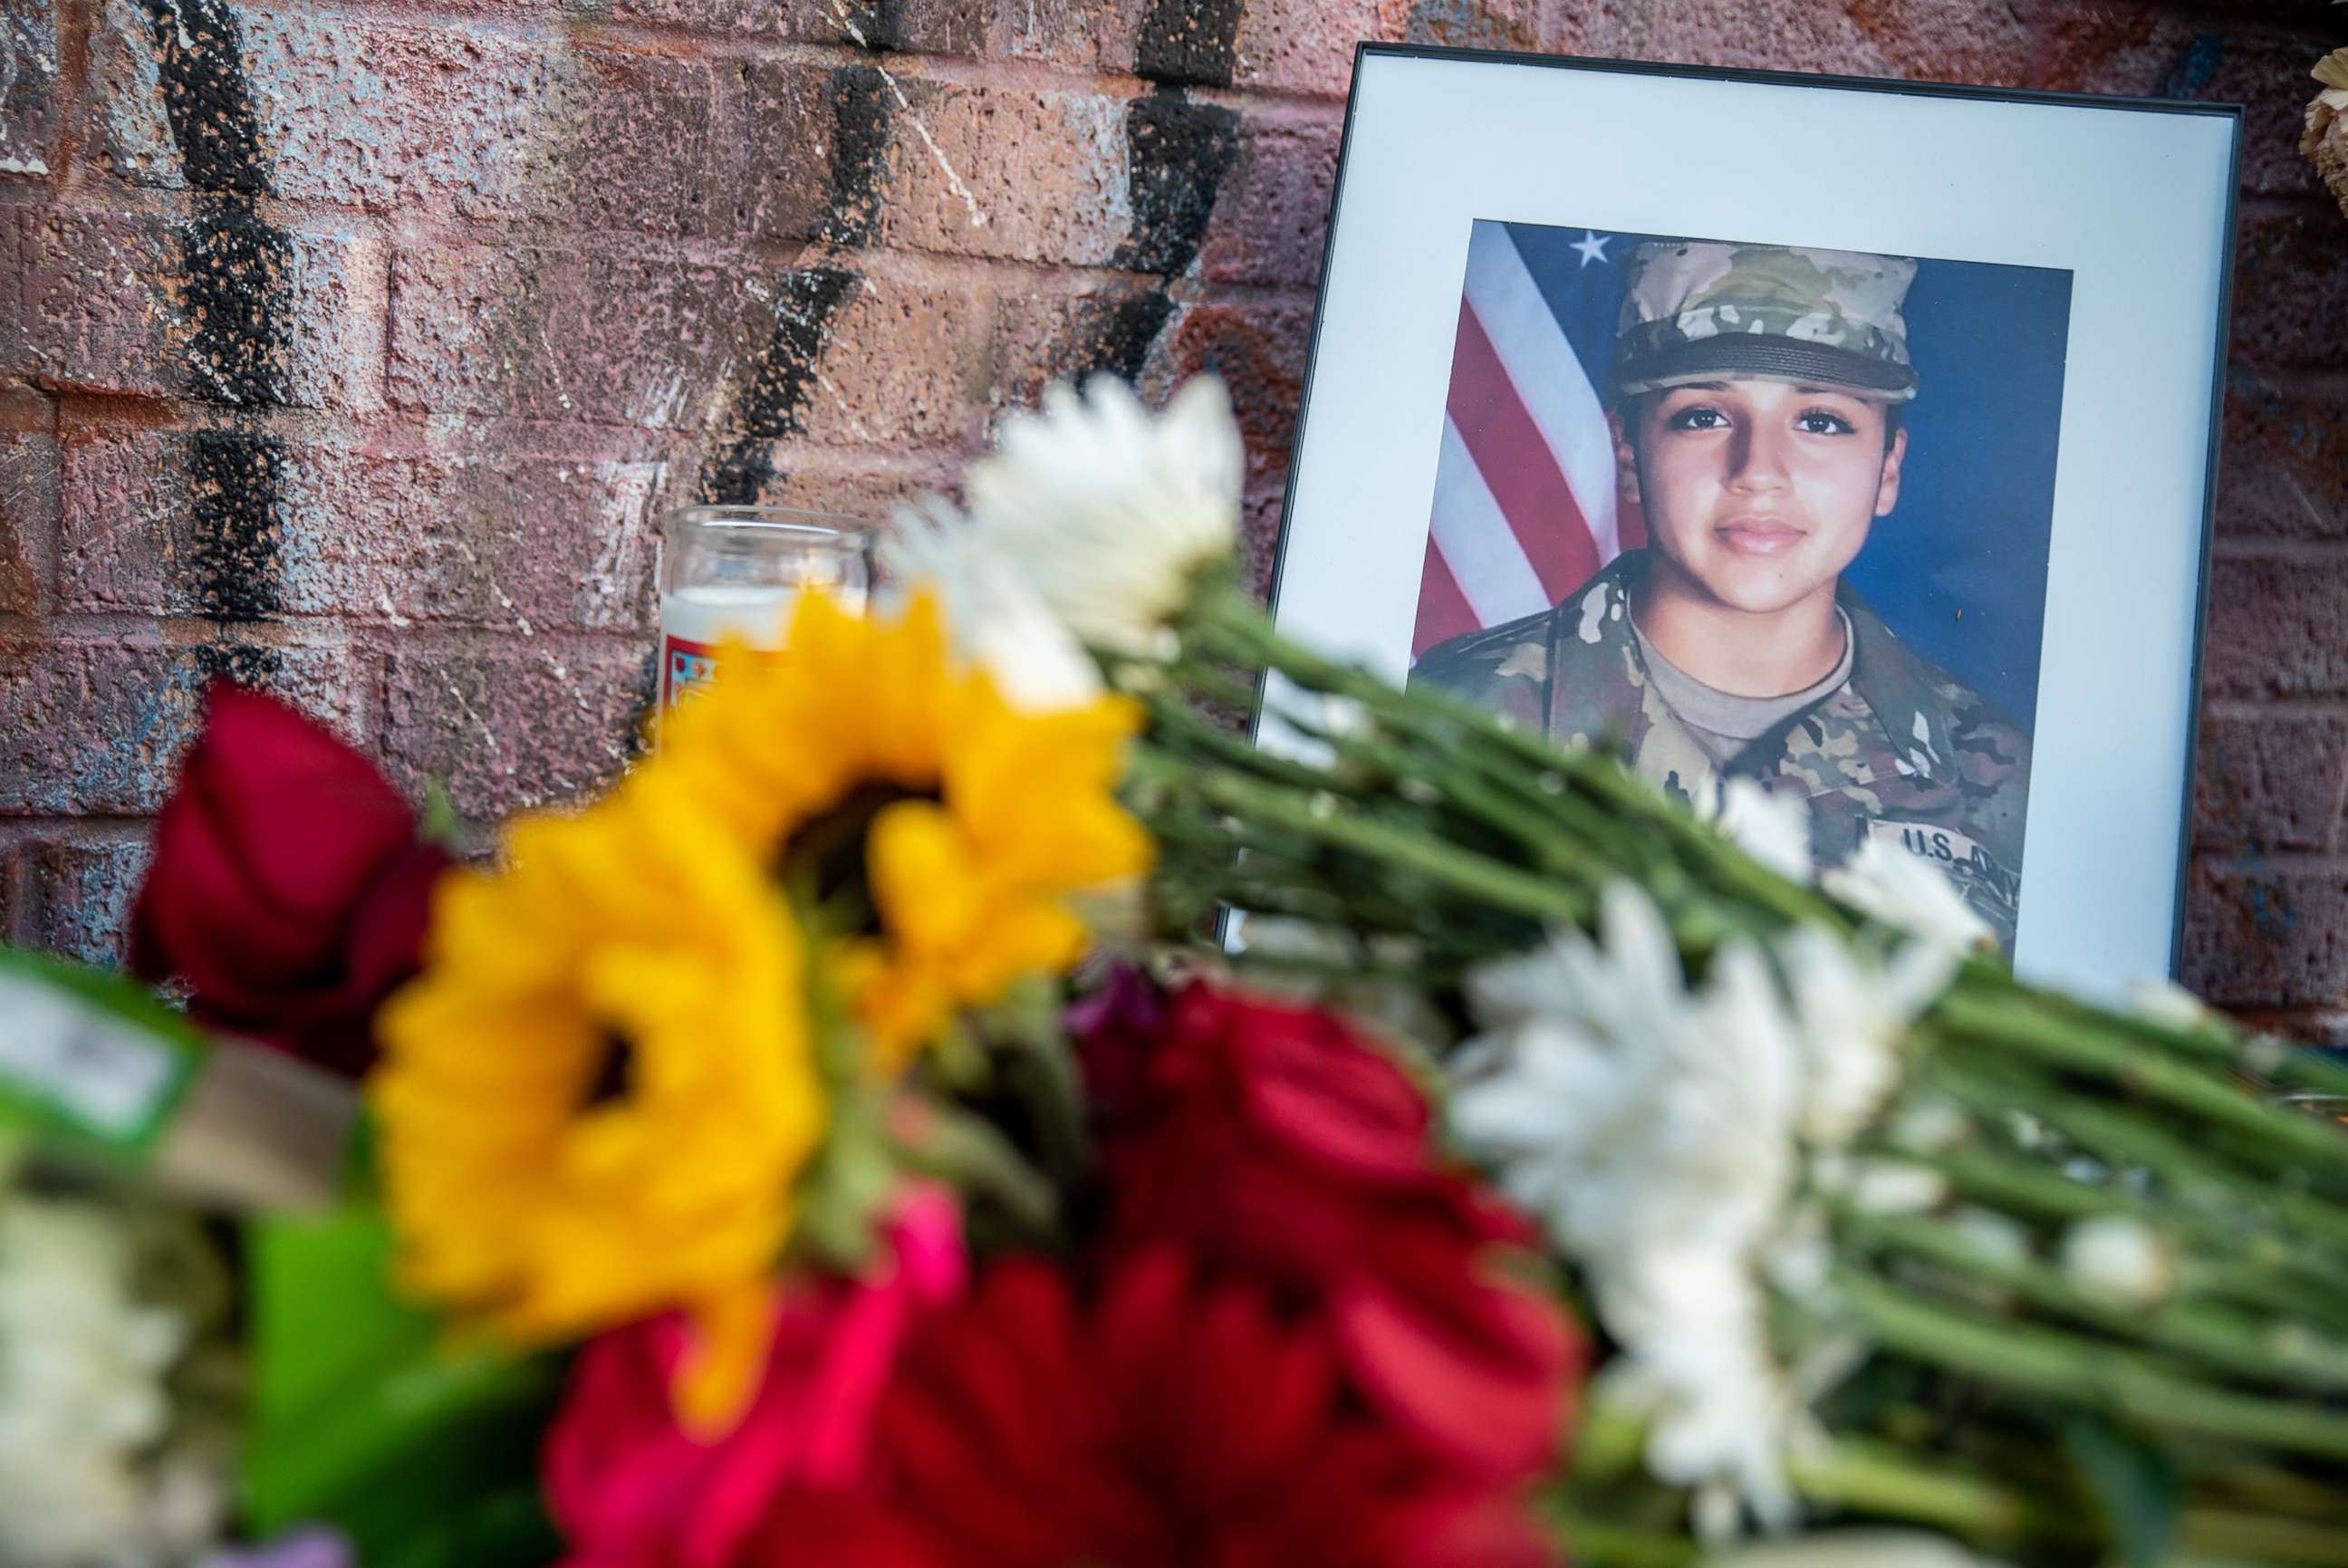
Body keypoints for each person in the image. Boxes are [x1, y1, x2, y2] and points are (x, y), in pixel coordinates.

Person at [1410, 242, 2031, 949]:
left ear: (1888, 468)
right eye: (1703, 415)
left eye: (1821, 420)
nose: (1759, 472)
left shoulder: (2001, 774)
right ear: (1629, 455)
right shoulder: (1445, 716)